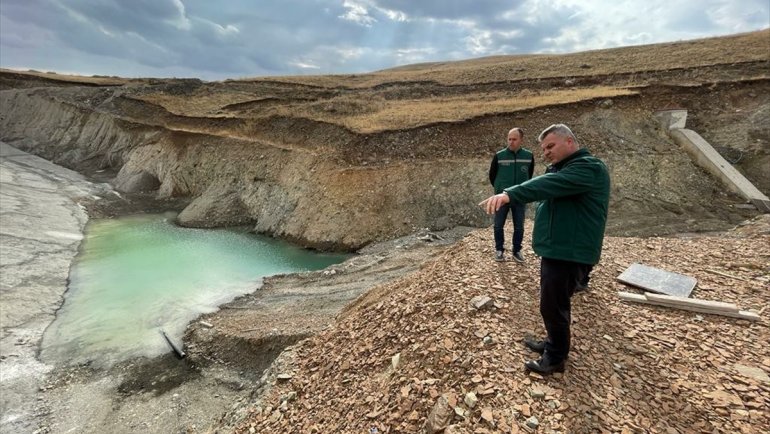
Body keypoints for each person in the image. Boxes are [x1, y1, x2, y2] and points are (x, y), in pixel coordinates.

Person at [479, 124, 610, 375]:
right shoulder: (564, 168)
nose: (546, 152)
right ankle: (552, 343)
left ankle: (555, 358)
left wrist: (508, 194)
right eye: (543, 149)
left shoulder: (588, 168)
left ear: (569, 141)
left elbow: (548, 184)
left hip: (569, 250)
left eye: (551, 146)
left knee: (553, 305)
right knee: (553, 301)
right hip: (559, 249)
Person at [488, 127, 534, 263]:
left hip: (519, 197)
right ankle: (499, 250)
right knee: (498, 225)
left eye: (514, 139)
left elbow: (529, 174)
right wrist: (499, 189)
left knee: (519, 226)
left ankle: (517, 251)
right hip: (501, 197)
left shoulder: (528, 156)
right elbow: (492, 175)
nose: (511, 142)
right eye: (509, 139)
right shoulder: (499, 156)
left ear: (521, 140)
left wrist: (522, 190)